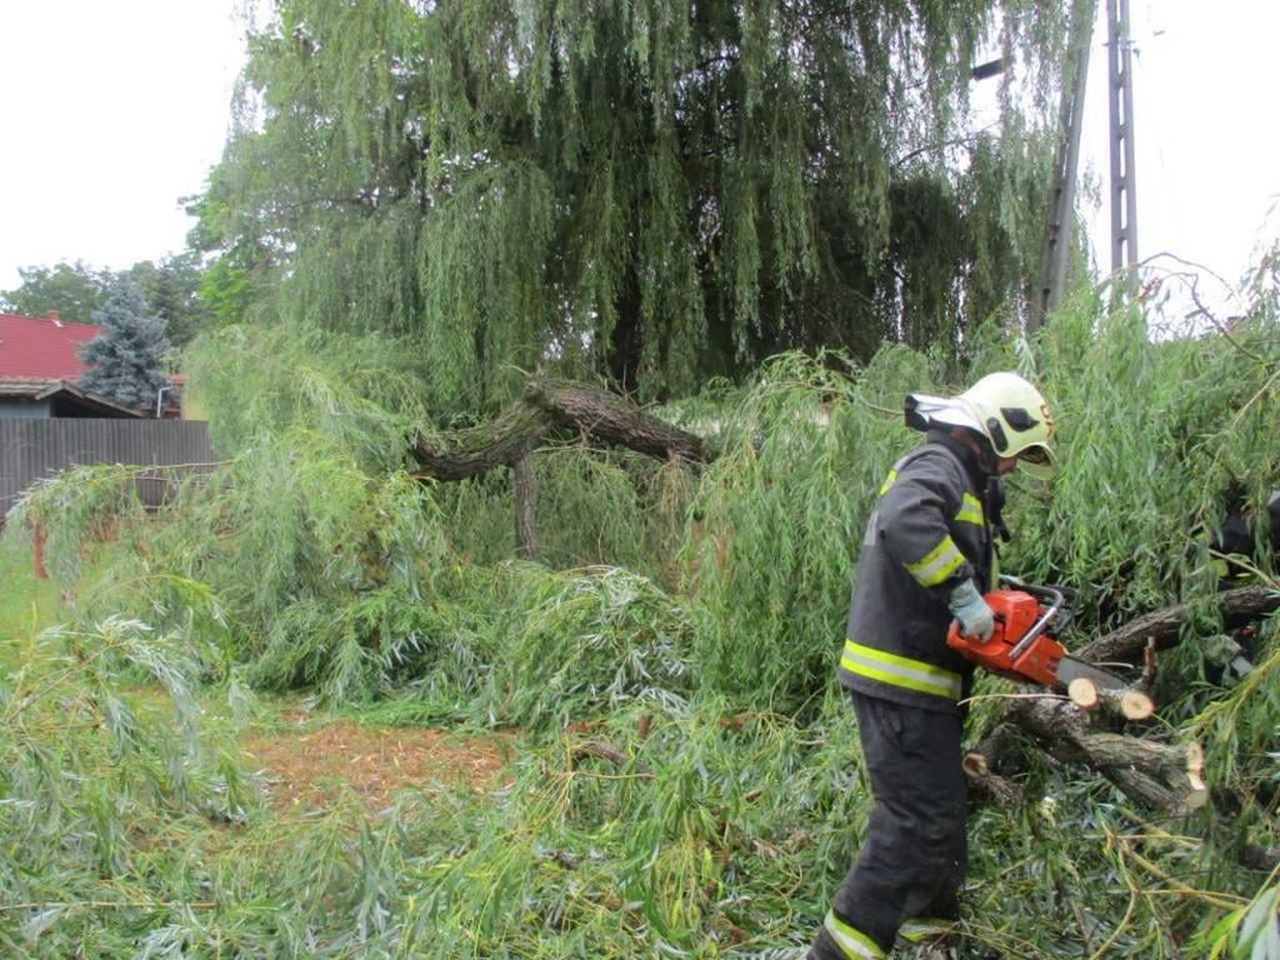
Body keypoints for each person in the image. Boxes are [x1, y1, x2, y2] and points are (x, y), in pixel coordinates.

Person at [808, 372, 1056, 960]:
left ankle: (932, 942)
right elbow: (906, 520)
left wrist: (991, 596)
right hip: (902, 680)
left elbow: (948, 553)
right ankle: (836, 951)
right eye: (1017, 454)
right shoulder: (937, 465)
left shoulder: (959, 476)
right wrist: (964, 595)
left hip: (922, 683)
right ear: (994, 429)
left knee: (941, 821)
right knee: (913, 827)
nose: (1015, 469)